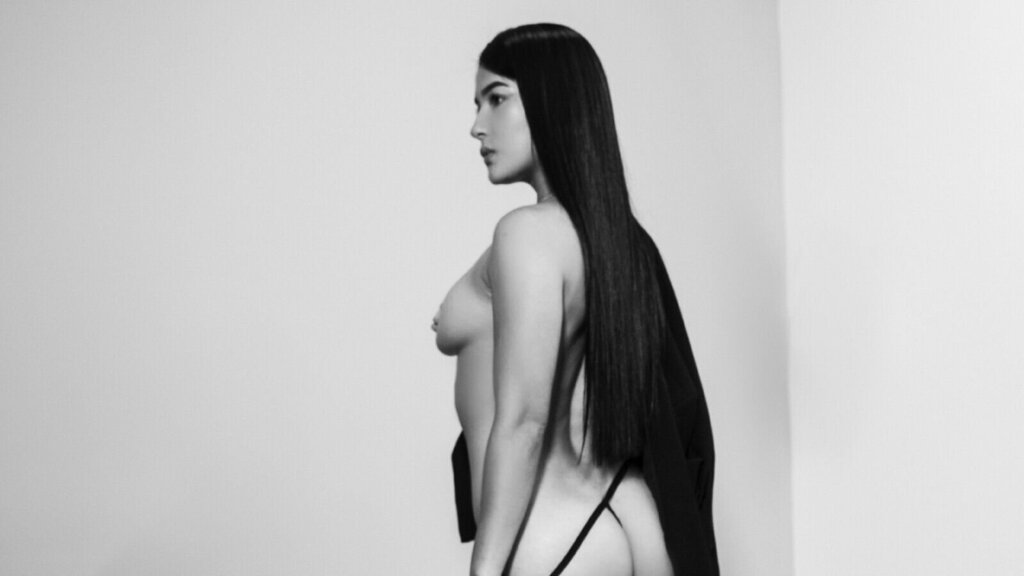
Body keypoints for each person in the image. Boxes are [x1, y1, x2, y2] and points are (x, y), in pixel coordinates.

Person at [433, 24, 719, 576]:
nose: (477, 125)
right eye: (477, 104)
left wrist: (483, 571)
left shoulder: (526, 234)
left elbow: (524, 421)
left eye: (497, 99)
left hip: (554, 530)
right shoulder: (620, 241)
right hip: (629, 511)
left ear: (552, 101)